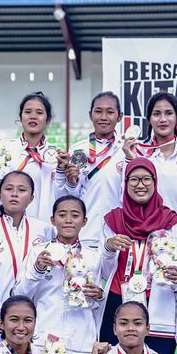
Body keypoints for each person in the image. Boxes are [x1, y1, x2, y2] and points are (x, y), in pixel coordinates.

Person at [96, 159, 177, 354]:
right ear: (125, 183)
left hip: (158, 311)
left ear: (155, 182)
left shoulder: (171, 222)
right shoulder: (113, 220)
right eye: (134, 179)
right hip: (117, 305)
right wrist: (108, 249)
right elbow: (103, 272)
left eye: (146, 179)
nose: (140, 185)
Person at [13, 196, 113, 354]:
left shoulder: (93, 257)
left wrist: (99, 296)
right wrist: (37, 270)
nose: (68, 220)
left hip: (82, 341)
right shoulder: (39, 252)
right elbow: (19, 296)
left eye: (75, 215)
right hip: (46, 341)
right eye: (62, 215)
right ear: (52, 220)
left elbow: (97, 304)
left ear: (84, 221)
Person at [0, 170, 52, 352]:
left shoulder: (44, 230)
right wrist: (3, 316)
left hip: (29, 325)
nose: (14, 194)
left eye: (22, 190)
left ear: (31, 198)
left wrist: (20, 319)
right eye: (8, 189)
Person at [126, 92, 177, 246]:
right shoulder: (138, 154)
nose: (162, 119)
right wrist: (131, 160)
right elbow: (127, 196)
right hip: (146, 236)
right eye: (156, 114)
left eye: (169, 113)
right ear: (149, 119)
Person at [0, 92, 60, 222]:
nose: (33, 116)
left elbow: (62, 194)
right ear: (21, 117)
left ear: (48, 119)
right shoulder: (4, 151)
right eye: (28, 112)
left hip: (45, 225)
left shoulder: (56, 155)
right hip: (8, 224)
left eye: (39, 113)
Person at [60, 92, 129, 243]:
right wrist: (72, 182)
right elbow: (71, 197)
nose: (103, 117)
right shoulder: (76, 150)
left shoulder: (127, 151)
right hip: (86, 234)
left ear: (120, 116)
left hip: (119, 234)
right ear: (90, 115)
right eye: (98, 111)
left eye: (110, 112)